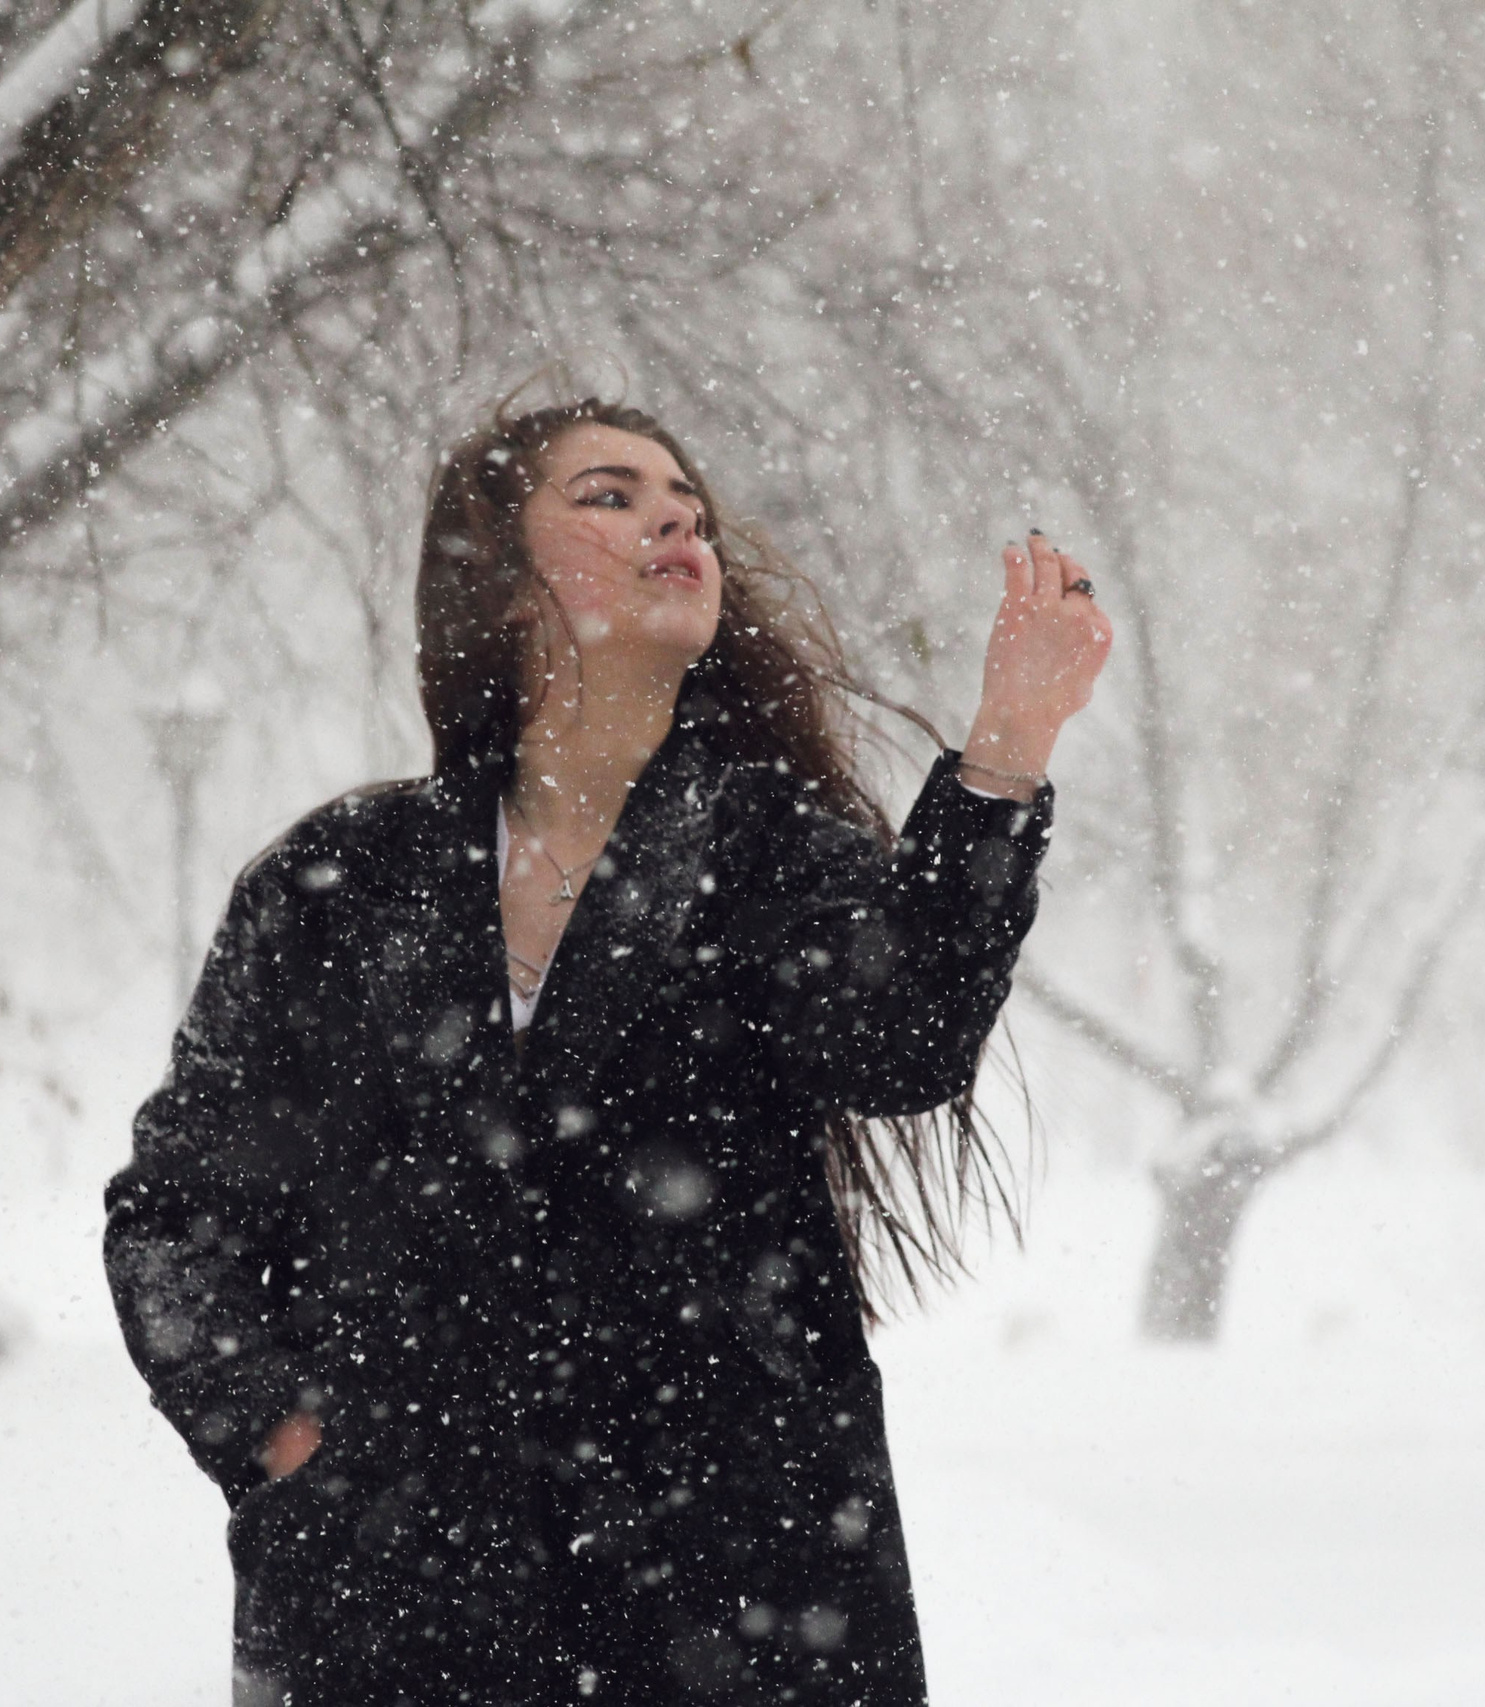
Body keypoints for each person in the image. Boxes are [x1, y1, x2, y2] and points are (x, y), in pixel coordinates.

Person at [106, 396, 1111, 1706]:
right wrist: (287, 1445)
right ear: (498, 579)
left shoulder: (768, 853)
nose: (674, 520)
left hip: (732, 1601)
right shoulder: (340, 884)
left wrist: (1010, 746)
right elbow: (178, 1210)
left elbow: (902, 1044)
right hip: (398, 1615)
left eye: (687, 504)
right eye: (609, 496)